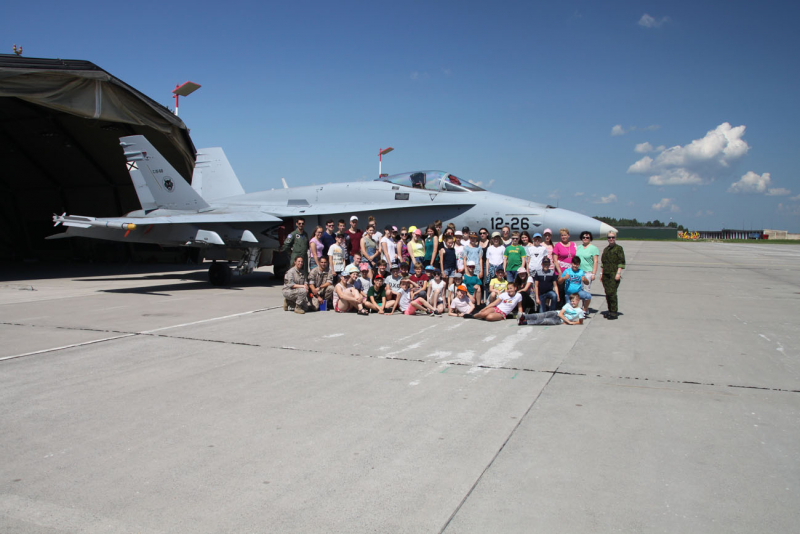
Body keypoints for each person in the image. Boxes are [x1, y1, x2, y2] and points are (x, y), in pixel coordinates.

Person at [518, 293, 585, 326]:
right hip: (556, 313)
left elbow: (580, 322)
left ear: (578, 300)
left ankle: (525, 322)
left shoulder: (580, 311)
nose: (572, 303)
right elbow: (560, 314)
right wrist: (568, 321)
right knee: (542, 315)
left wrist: (572, 322)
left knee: (544, 321)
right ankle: (524, 317)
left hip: (559, 320)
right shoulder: (568, 305)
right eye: (572, 301)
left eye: (574, 301)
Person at [601, 231, 625, 320]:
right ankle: (610, 310)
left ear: (615, 238)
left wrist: (618, 273)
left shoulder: (618, 249)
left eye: (613, 237)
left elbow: (621, 262)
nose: (611, 239)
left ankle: (614, 312)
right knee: (607, 293)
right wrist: (601, 273)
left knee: (612, 293)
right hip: (606, 274)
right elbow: (603, 263)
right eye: (609, 237)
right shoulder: (606, 249)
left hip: (613, 274)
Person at [575, 230, 600, 314]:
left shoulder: (593, 248)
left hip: (588, 272)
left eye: (587, 237)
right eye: (584, 237)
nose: (585, 239)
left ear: (590, 238)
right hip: (579, 272)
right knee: (579, 291)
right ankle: (581, 308)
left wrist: (593, 273)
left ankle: (585, 309)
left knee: (586, 291)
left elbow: (595, 261)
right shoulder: (579, 247)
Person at [553, 228, 576, 306]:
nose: (563, 237)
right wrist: (560, 272)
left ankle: (571, 307)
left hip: (571, 271)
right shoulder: (557, 245)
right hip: (561, 271)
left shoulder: (573, 244)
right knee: (561, 291)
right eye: (562, 235)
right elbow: (555, 260)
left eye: (565, 235)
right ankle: (560, 308)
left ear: (568, 235)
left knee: (571, 291)